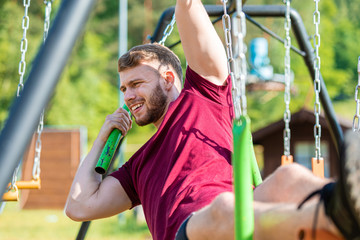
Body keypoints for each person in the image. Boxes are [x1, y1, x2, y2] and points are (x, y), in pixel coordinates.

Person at [65, 0, 360, 239]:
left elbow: (188, 6)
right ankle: (339, 219)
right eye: (124, 88)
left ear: (167, 79)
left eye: (136, 84)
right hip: (195, 230)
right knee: (223, 209)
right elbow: (79, 206)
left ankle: (348, 208)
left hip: (240, 220)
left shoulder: (204, 96)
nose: (127, 96)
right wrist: (104, 136)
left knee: (288, 177)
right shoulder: (138, 166)